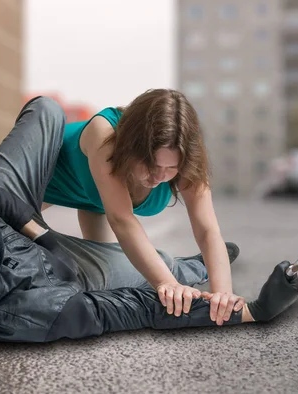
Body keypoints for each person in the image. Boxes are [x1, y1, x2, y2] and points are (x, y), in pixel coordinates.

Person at [0, 96, 298, 356]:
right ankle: (191, 268)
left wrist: (41, 233)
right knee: (128, 275)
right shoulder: (25, 313)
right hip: (42, 253)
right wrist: (240, 309)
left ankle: (189, 268)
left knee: (47, 109)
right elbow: (124, 302)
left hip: (16, 200)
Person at [42, 89, 242, 320]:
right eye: (151, 164)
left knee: (105, 279)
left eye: (170, 169)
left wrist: (223, 294)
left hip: (94, 203)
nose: (158, 176)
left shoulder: (186, 158)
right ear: (130, 146)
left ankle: (187, 269)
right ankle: (182, 270)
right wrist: (167, 284)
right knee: (38, 263)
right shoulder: (105, 134)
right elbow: (122, 219)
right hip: (47, 185)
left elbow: (207, 230)